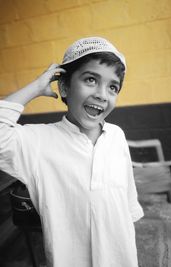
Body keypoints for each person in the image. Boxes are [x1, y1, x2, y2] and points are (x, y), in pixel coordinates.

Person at [0, 37, 143, 267]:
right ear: (64, 86)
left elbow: (127, 207)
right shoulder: (38, 142)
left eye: (112, 87)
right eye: (90, 79)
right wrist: (36, 86)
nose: (102, 94)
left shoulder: (116, 136)